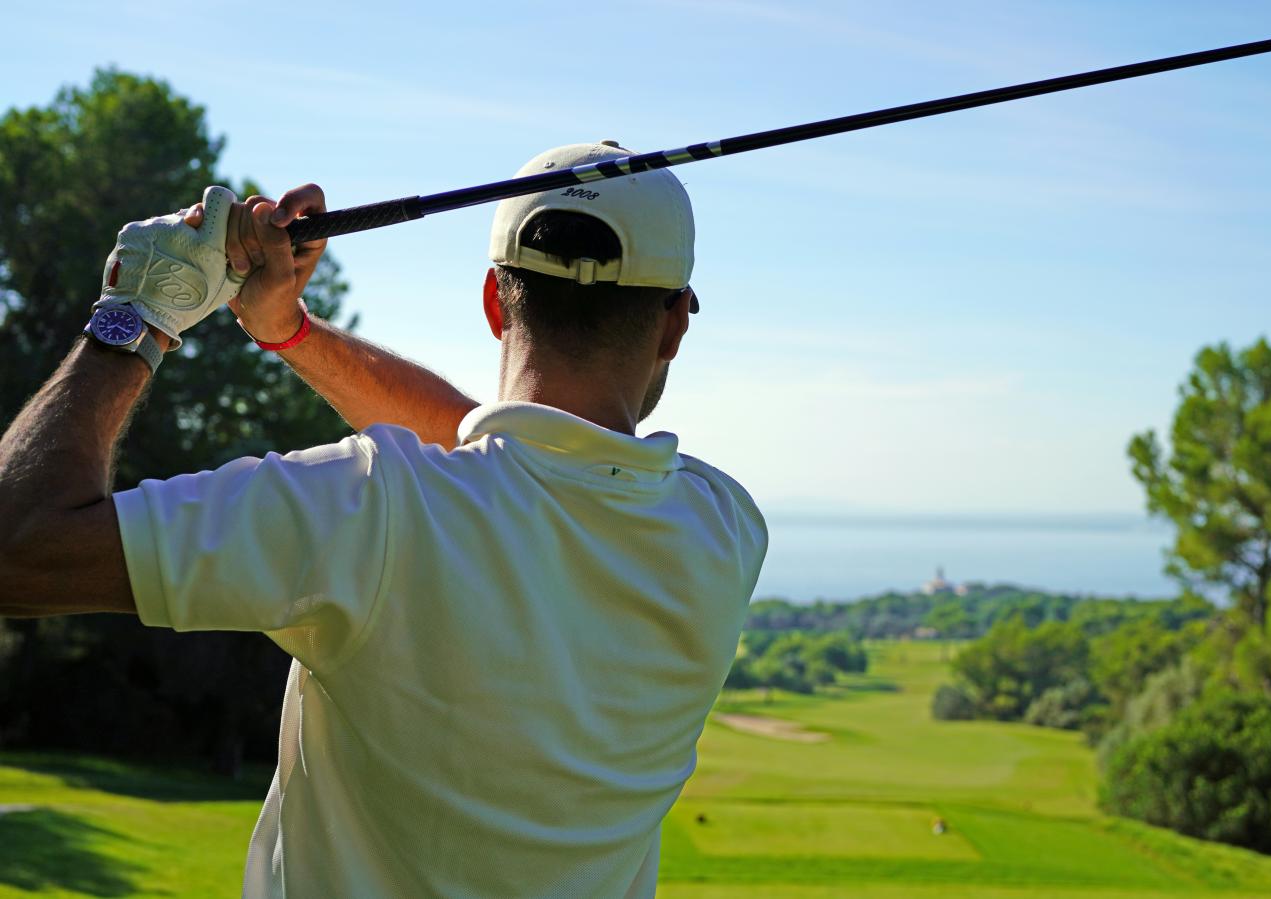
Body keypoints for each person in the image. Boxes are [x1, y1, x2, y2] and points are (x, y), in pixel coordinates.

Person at [0, 141, 768, 897]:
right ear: (672, 325)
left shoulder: (365, 510)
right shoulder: (725, 528)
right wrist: (287, 329)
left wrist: (140, 309)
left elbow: (20, 549)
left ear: (495, 302)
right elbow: (505, 448)